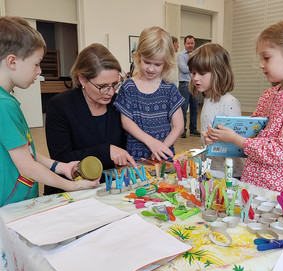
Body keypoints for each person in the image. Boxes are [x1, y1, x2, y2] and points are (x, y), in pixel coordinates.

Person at [0, 16, 99, 207]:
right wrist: (71, 186)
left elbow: (25, 151)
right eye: (36, 63)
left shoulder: (7, 100)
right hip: (11, 207)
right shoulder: (4, 105)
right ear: (12, 61)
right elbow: (26, 165)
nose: (39, 71)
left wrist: (60, 167)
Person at [203, 18, 283, 197]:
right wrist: (219, 139)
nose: (261, 64)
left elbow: (279, 152)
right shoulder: (268, 96)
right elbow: (248, 137)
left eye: (267, 57)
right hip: (253, 184)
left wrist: (234, 139)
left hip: (280, 193)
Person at [45, 43, 136, 195]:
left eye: (115, 84)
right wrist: (105, 151)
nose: (110, 92)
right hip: (72, 189)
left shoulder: (117, 103)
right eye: (102, 86)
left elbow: (126, 144)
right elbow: (61, 158)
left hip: (111, 187)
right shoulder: (60, 106)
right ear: (82, 79)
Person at [114, 26, 184, 161]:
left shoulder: (169, 89)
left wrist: (161, 148)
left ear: (166, 62)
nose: (151, 69)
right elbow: (126, 121)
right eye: (147, 62)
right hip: (136, 156)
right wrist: (152, 142)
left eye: (157, 64)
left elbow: (179, 126)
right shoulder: (129, 87)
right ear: (139, 56)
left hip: (163, 155)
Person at [188, 43, 244, 177]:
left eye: (201, 73)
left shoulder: (229, 103)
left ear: (219, 72)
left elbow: (237, 145)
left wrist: (214, 142)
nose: (195, 78)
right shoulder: (207, 99)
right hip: (212, 169)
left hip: (228, 173)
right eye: (193, 72)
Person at [178, 35, 200, 138]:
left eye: (192, 43)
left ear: (194, 43)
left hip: (195, 85)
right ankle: (182, 130)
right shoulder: (181, 55)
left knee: (195, 108)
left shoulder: (198, 55)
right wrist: (192, 61)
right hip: (184, 85)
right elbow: (183, 69)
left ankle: (193, 129)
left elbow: (200, 68)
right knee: (183, 108)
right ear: (184, 44)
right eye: (188, 43)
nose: (190, 45)